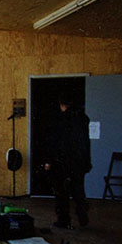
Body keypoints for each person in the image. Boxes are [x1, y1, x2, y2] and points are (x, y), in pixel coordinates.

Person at [44, 92, 91, 228]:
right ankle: (82, 215)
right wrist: (86, 162)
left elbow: (54, 143)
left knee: (61, 192)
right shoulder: (82, 118)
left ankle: (64, 220)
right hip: (78, 161)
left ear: (61, 104)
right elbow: (85, 143)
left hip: (62, 162)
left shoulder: (59, 120)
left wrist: (49, 161)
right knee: (78, 190)